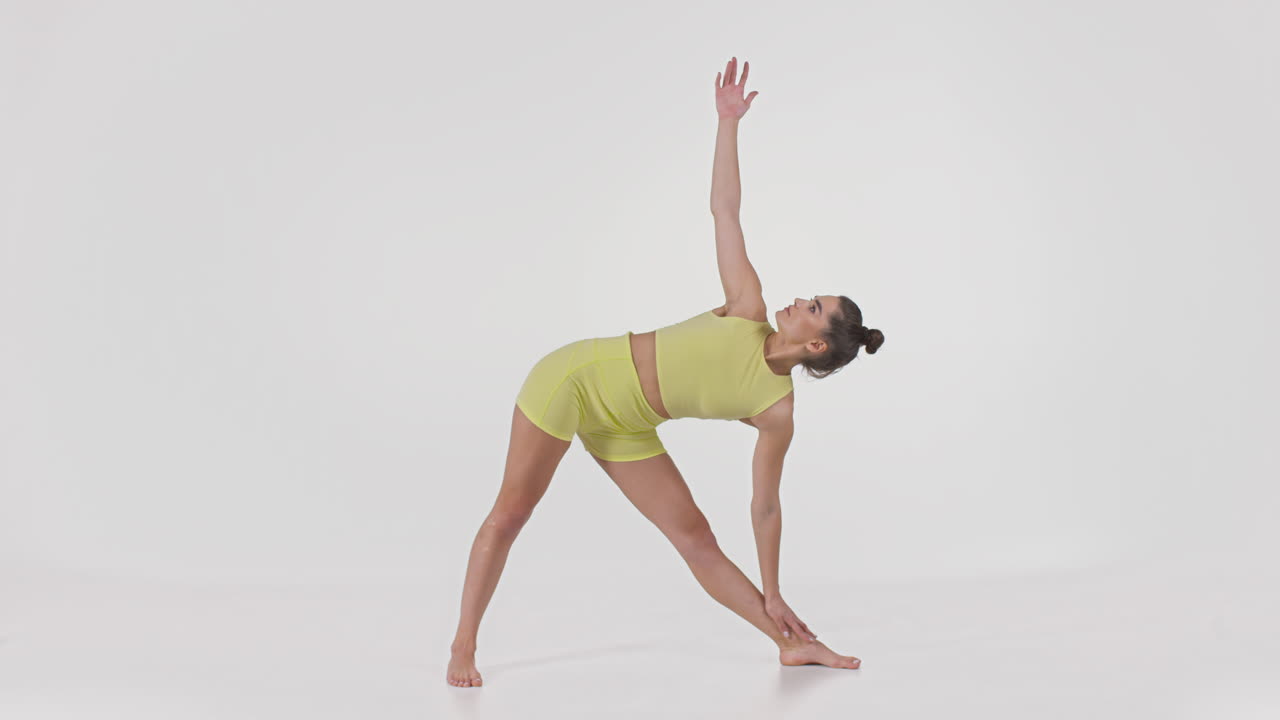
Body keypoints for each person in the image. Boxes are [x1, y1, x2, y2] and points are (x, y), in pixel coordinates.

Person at [447, 57, 884, 688]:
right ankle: (463, 645)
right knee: (511, 513)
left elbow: (765, 506)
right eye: (809, 296)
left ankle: (788, 644)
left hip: (628, 424)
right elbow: (724, 211)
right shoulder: (746, 308)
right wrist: (727, 123)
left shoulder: (776, 411)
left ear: (817, 347)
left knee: (696, 539)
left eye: (812, 309)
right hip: (574, 379)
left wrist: (774, 589)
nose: (797, 301)